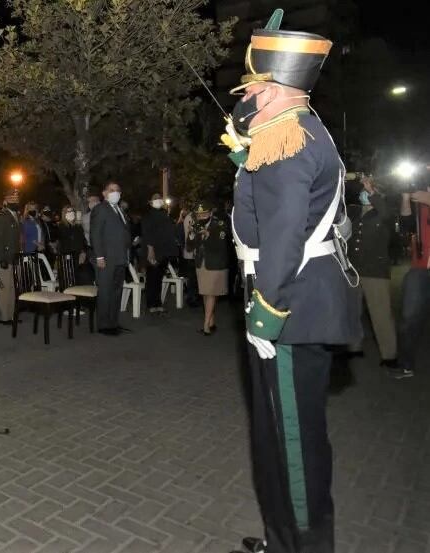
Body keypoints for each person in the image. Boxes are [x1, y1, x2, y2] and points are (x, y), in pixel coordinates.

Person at [228, 11, 360, 552]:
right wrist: (244, 141)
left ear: (278, 89)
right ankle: (283, 540)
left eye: (256, 87)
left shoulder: (288, 140)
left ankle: (302, 544)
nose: (248, 95)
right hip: (300, 298)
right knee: (279, 441)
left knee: (292, 447)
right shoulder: (295, 128)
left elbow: (283, 235)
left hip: (290, 305)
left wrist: (267, 308)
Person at [346, 177, 398, 369]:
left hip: (375, 272)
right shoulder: (354, 211)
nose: (364, 193)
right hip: (354, 270)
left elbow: (384, 211)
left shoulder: (384, 213)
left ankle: (389, 355)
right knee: (352, 312)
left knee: (380, 314)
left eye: (370, 190)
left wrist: (372, 192)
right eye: (364, 190)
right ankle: (353, 347)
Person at [397, 180, 430, 379]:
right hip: (420, 268)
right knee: (409, 318)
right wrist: (405, 199)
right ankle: (405, 365)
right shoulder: (420, 193)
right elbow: (406, 226)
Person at [90, 182, 131, 336]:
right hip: (106, 258)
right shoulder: (101, 209)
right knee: (106, 291)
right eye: (112, 190)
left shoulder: (119, 209)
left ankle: (113, 322)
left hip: (120, 257)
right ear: (104, 193)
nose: (116, 193)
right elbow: (95, 234)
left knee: (116, 291)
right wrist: (99, 256)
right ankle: (104, 325)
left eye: (118, 190)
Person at [186, 203, 229, 335]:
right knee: (205, 293)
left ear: (210, 213)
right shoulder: (196, 225)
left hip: (215, 264)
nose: (201, 216)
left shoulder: (219, 224)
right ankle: (211, 321)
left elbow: (221, 245)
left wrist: (208, 235)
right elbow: (189, 247)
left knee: (211, 293)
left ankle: (206, 324)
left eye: (204, 214)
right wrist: (191, 235)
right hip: (201, 264)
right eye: (199, 215)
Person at [142, 193, 179, 314]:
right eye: (155, 199)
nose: (158, 200)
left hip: (164, 252)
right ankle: (151, 304)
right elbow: (147, 234)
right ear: (150, 202)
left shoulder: (164, 214)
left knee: (158, 279)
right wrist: (150, 250)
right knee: (152, 278)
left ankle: (157, 303)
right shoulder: (149, 216)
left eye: (159, 198)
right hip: (154, 251)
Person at [0, 190, 21, 325]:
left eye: (16, 200)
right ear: (6, 201)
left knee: (13, 287)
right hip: (5, 257)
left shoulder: (16, 216)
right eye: (12, 200)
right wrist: (1, 257)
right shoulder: (2, 216)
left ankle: (12, 314)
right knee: (4, 288)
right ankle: (4, 317)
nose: (15, 202)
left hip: (14, 256)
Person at [58, 205, 92, 284]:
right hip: (68, 257)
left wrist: (83, 252)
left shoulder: (78, 226)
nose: (71, 213)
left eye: (72, 211)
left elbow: (83, 241)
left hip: (80, 255)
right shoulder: (62, 226)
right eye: (68, 211)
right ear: (64, 214)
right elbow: (65, 242)